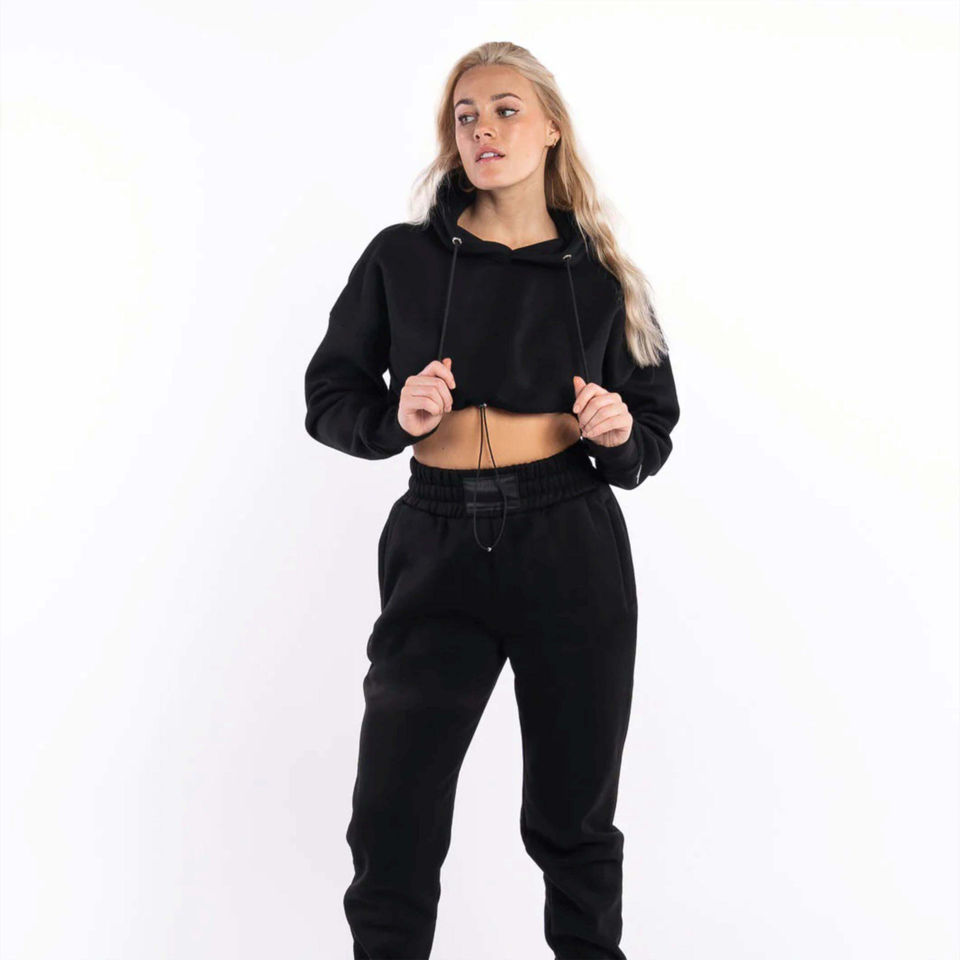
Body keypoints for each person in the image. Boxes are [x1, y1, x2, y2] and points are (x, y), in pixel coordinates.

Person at [304, 41, 680, 960]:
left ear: (551, 128)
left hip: (569, 540)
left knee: (573, 817)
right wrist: (395, 416)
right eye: (466, 115)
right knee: (392, 811)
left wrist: (617, 433)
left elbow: (653, 430)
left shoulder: (603, 275)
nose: (484, 130)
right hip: (435, 537)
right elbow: (329, 397)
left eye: (506, 110)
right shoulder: (400, 258)